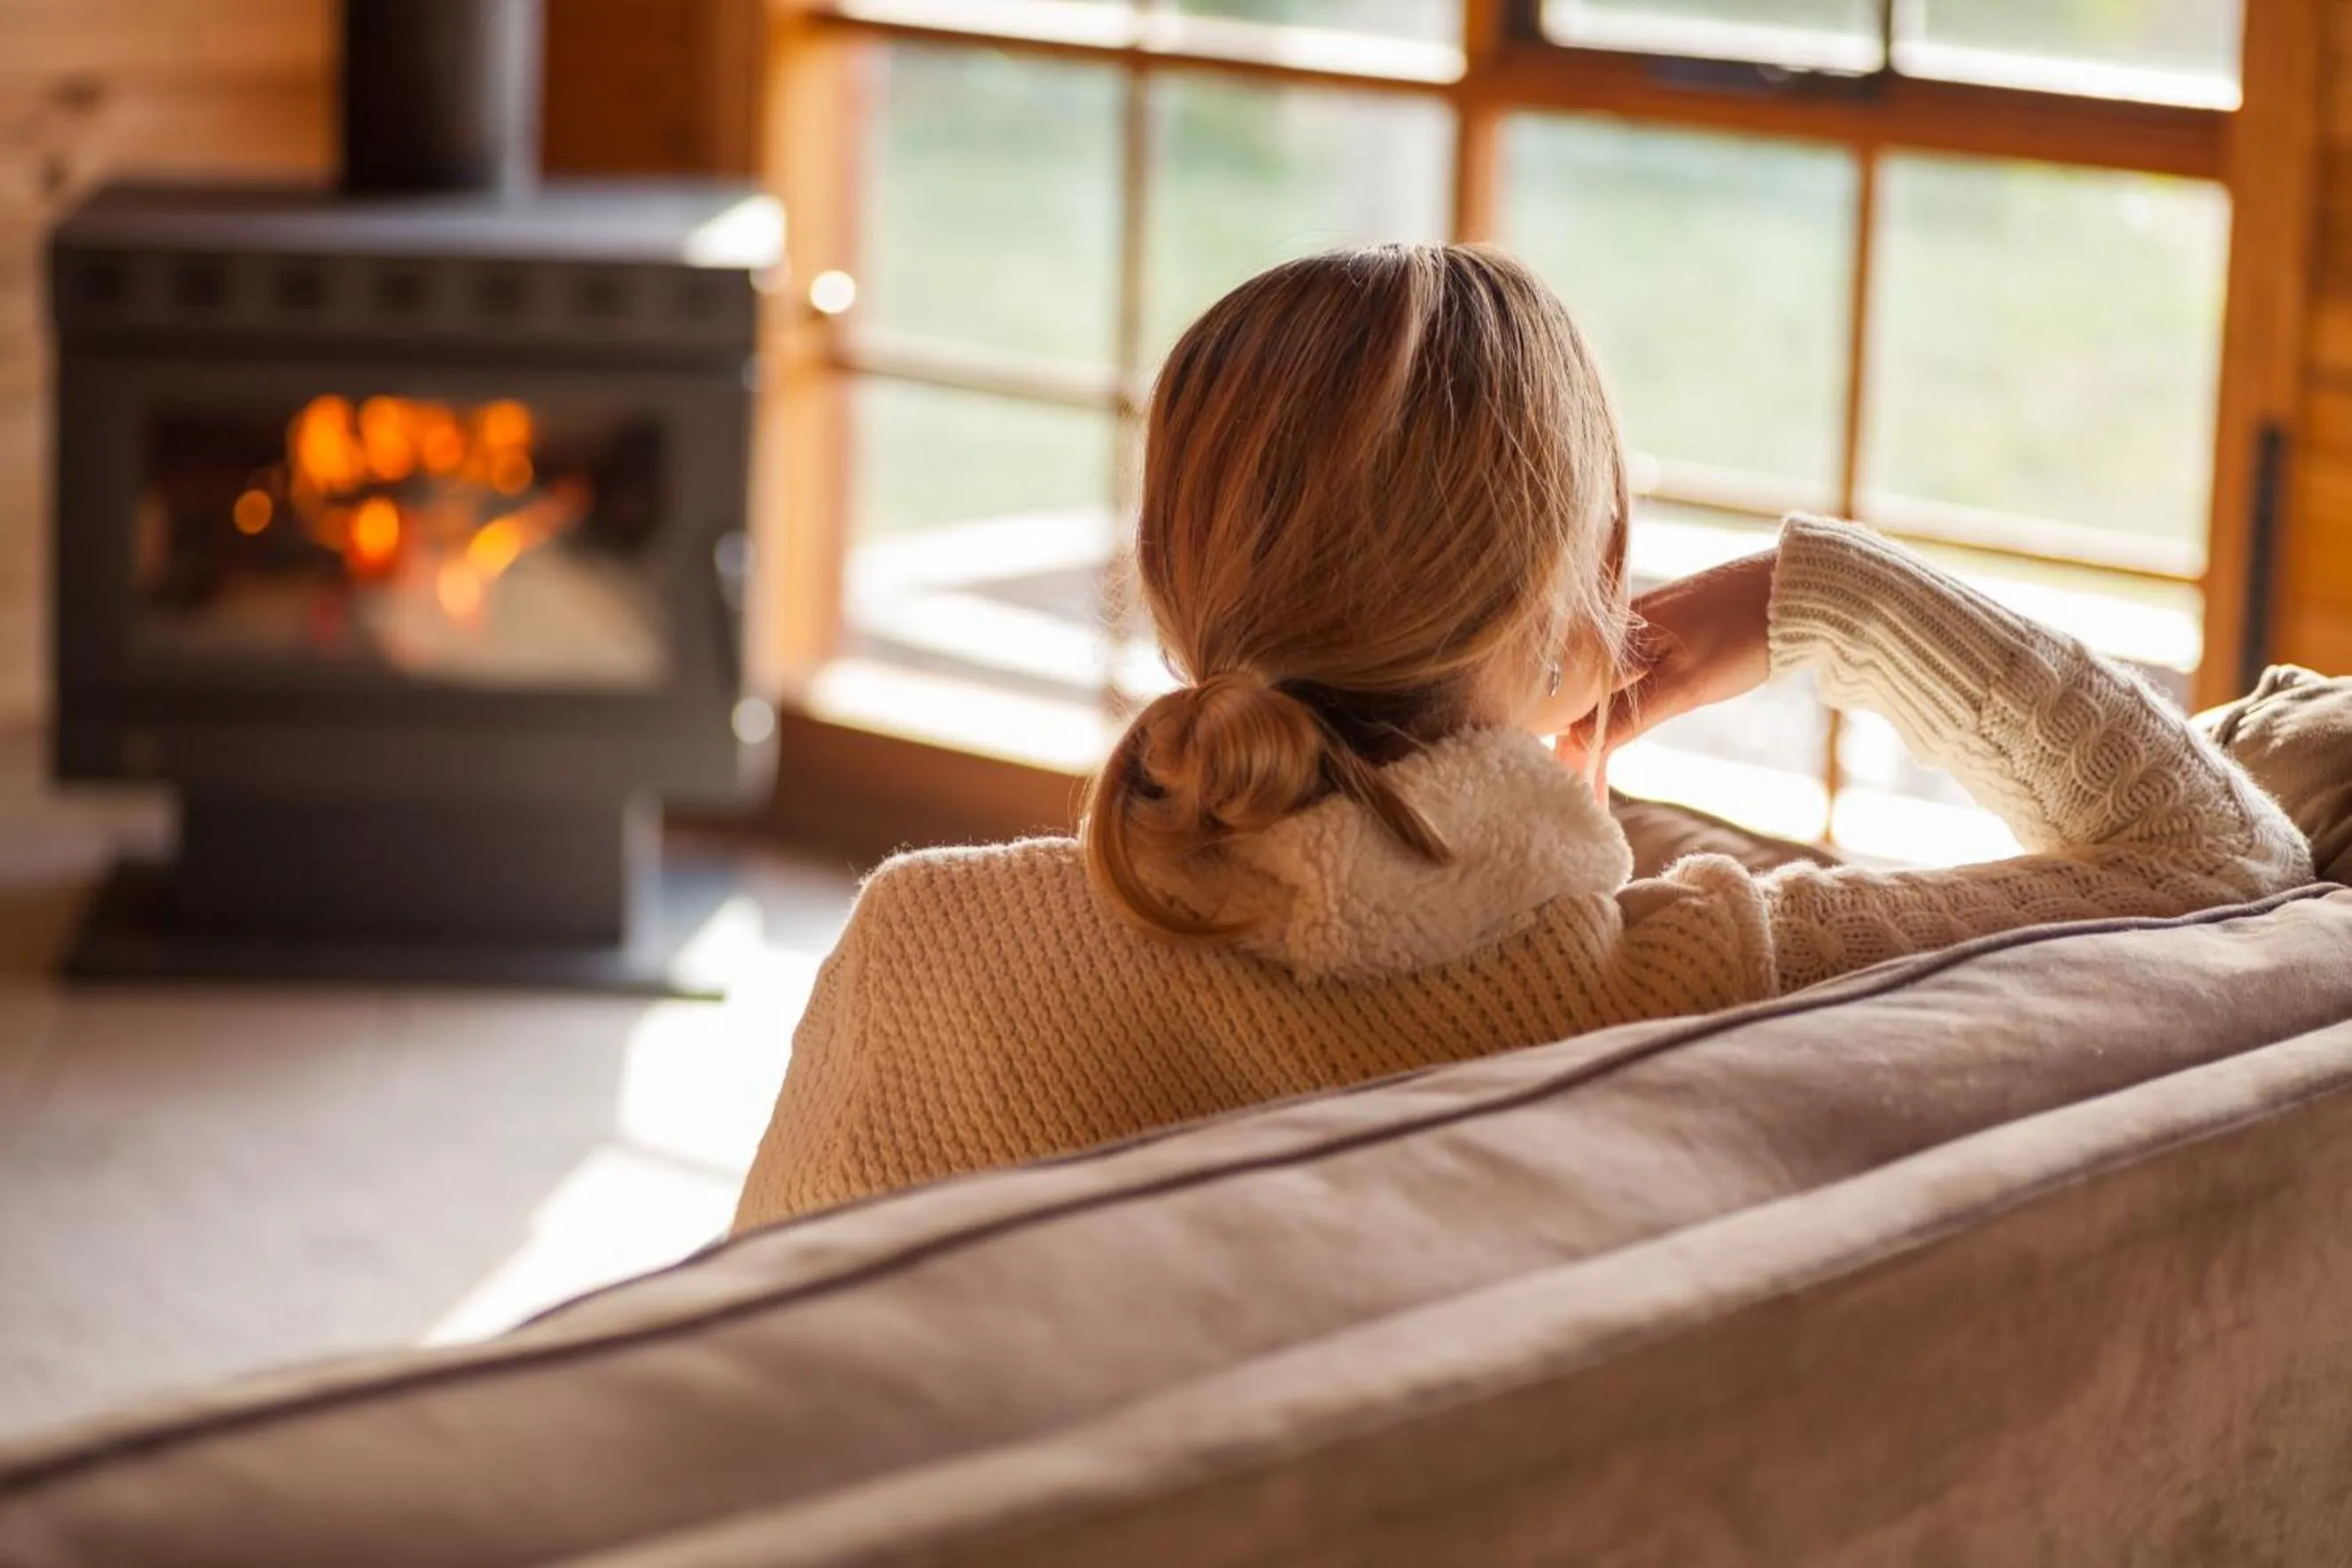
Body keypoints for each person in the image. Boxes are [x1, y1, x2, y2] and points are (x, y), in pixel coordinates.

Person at [732, 245, 2308, 1230]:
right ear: (1588, 606)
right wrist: (1813, 598)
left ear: (1168, 586)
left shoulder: (920, 946)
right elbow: (2228, 860)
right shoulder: (1687, 982)